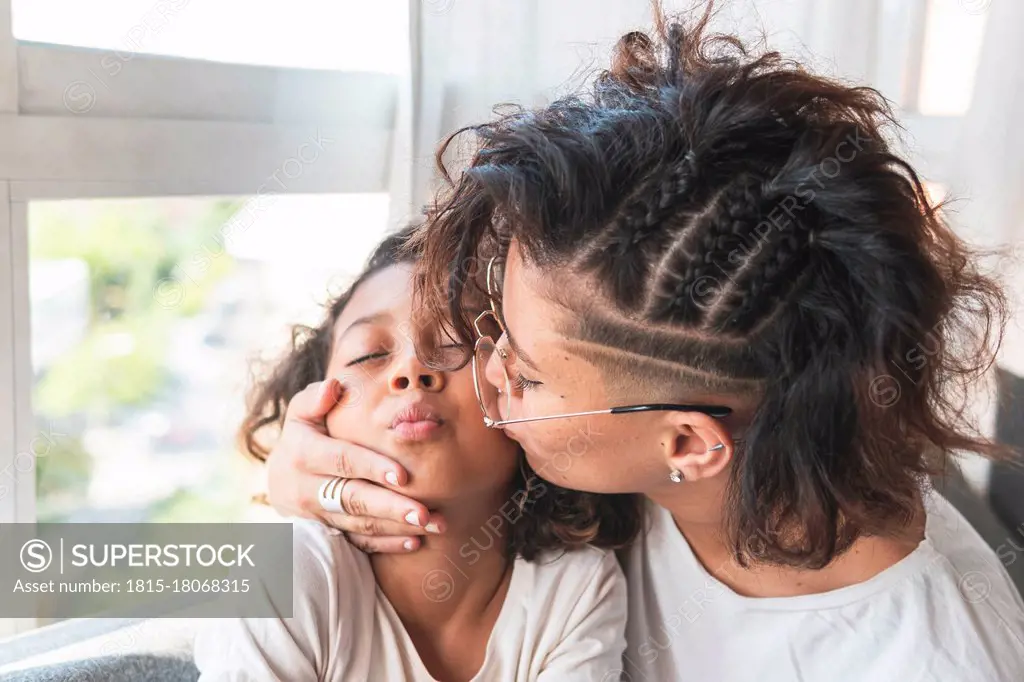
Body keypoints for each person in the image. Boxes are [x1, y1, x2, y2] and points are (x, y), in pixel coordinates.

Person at [262, 6, 1024, 682]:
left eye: (522, 375)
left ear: (689, 444)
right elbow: (146, 579)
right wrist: (281, 502)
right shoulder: (617, 454)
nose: (481, 377)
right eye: (490, 326)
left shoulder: (933, 658)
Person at [193, 227, 640, 681]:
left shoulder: (576, 588)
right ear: (314, 418)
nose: (411, 370)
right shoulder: (285, 573)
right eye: (367, 355)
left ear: (520, 387)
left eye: (452, 345)